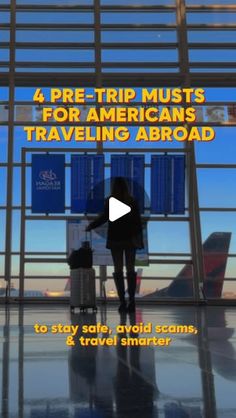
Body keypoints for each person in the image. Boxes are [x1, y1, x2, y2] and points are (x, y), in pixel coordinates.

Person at [86, 177, 144, 313]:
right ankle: (132, 302)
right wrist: (139, 240)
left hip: (116, 239)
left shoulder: (110, 201)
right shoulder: (132, 201)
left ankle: (122, 303)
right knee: (130, 270)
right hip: (130, 239)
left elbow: (104, 217)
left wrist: (91, 225)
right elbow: (137, 222)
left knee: (118, 270)